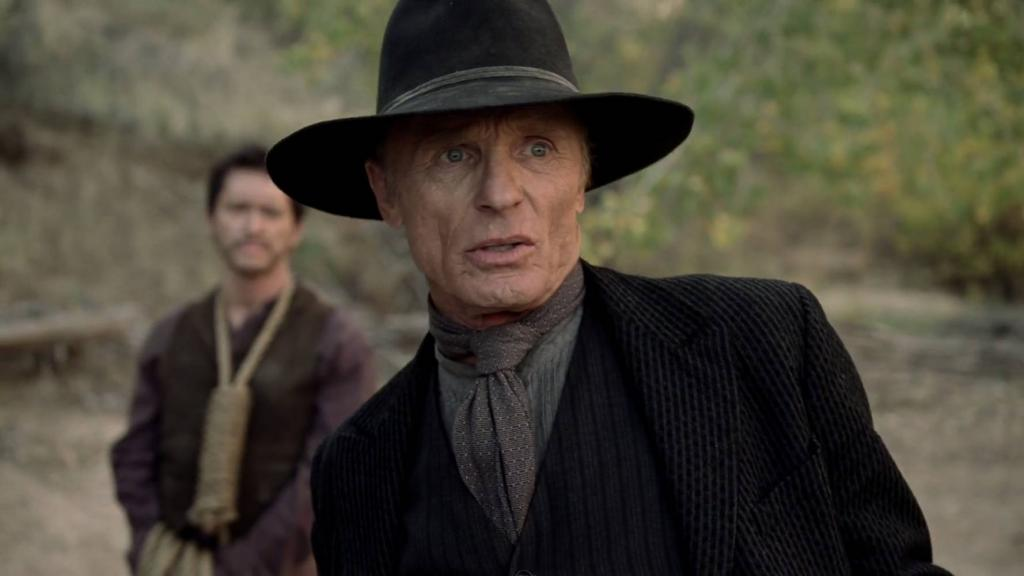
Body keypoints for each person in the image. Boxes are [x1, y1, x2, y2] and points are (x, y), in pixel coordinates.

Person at [267, 1, 950, 574]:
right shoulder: (355, 469)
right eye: (452, 154)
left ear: (583, 175)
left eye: (538, 148)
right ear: (386, 192)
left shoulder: (766, 339)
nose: (501, 194)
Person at [111, 145, 376, 575]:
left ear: (296, 230)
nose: (252, 226)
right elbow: (134, 454)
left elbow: (331, 475)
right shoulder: (171, 333)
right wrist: (149, 543)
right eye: (237, 209)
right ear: (211, 219)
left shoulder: (337, 341)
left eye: (270, 213)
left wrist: (239, 566)